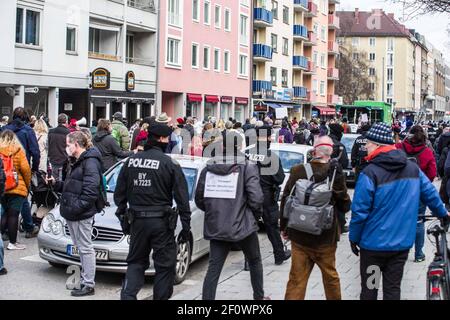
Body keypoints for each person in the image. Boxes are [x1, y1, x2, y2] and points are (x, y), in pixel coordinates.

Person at [350, 123, 450, 300]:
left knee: (370, 290)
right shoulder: (412, 169)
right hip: (400, 245)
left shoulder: (370, 173)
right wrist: (442, 213)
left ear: (378, 146)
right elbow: (430, 193)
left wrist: (354, 238)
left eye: (369, 143)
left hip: (373, 247)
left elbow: (359, 212)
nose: (365, 146)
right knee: (392, 289)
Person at [114, 124, 191, 300]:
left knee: (135, 262)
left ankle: (127, 296)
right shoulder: (170, 163)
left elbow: (119, 194)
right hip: (161, 224)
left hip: (137, 222)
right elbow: (182, 198)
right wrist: (185, 227)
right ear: (162, 139)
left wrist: (122, 217)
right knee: (164, 266)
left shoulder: (131, 161)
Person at [195, 131, 267, 300]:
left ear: (222, 146)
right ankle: (259, 297)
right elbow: (256, 199)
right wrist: (252, 216)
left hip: (218, 224)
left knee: (214, 268)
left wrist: (215, 213)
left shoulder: (209, 167)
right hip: (243, 225)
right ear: (240, 146)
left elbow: (200, 198)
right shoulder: (248, 166)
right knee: (255, 261)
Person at [280, 135, 351, 300]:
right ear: (331, 153)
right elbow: (345, 205)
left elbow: (286, 200)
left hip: (299, 235)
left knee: (296, 280)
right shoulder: (334, 174)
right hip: (325, 237)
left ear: (314, 151)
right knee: (330, 277)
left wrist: (284, 228)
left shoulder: (298, 170)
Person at [48, 131, 103, 297]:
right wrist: (57, 184)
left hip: (80, 213)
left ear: (76, 145)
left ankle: (88, 284)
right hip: (74, 211)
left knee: (85, 248)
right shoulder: (77, 161)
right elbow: (73, 185)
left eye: (68, 144)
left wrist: (76, 207)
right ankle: (86, 280)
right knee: (81, 247)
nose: (66, 148)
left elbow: (90, 191)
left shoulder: (90, 162)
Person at [246, 125, 291, 265]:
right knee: (272, 227)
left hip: (249, 195)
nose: (271, 139)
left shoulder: (247, 154)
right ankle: (279, 255)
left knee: (250, 227)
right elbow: (280, 178)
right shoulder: (271, 156)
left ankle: (249, 262)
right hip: (266, 195)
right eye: (270, 136)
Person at [396, 125, 436, 263]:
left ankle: (400, 252)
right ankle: (419, 254)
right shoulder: (427, 152)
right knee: (419, 221)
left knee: (400, 220)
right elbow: (432, 174)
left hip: (400, 190)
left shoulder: (399, 148)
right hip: (419, 191)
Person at [2, 107, 40, 238]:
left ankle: (6, 230)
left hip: (4, 168)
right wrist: (34, 168)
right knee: (22, 197)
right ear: (25, 117)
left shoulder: (4, 129)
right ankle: (29, 226)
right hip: (21, 168)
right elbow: (35, 152)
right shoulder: (28, 130)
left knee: (5, 199)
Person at [0, 130, 32, 250]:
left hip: (2, 186)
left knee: (4, 214)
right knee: (13, 215)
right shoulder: (18, 150)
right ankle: (13, 243)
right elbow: (26, 170)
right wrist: (27, 186)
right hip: (16, 187)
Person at [48, 114, 71, 180]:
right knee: (61, 182)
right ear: (66, 121)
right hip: (64, 161)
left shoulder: (51, 131)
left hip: (53, 159)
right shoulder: (68, 133)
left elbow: (48, 145)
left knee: (53, 180)